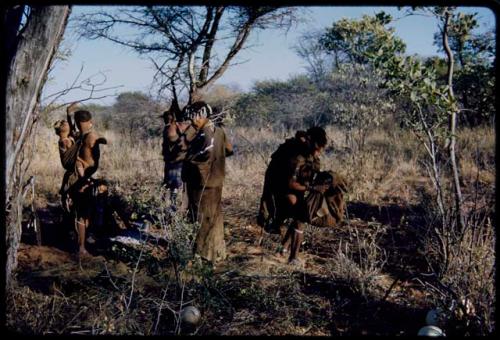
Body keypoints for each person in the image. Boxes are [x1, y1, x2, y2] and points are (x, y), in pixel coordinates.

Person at [257, 127, 328, 265]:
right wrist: (313, 188)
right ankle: (293, 257)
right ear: (310, 141)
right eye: (317, 147)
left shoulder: (310, 152)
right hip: (281, 186)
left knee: (300, 215)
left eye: (321, 148)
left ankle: (283, 249)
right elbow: (290, 183)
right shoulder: (296, 157)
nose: (319, 151)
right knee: (300, 217)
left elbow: (310, 173)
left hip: (295, 185)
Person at [181, 101, 233, 264]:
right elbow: (229, 150)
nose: (192, 121)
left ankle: (203, 256)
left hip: (202, 184)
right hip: (216, 181)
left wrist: (188, 161)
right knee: (215, 216)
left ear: (201, 116)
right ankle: (217, 252)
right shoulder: (219, 131)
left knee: (201, 219)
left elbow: (201, 157)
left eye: (193, 118)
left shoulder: (205, 135)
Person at [60, 109, 107, 257]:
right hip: (81, 179)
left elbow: (74, 128)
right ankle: (81, 248)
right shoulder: (91, 137)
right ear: (90, 121)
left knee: (83, 211)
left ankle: (81, 240)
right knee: (81, 213)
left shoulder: (77, 136)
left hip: (79, 177)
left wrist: (69, 115)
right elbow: (82, 163)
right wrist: (85, 180)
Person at [160, 101, 192, 212]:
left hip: (175, 161)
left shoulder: (172, 128)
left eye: (167, 117)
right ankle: (172, 207)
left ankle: (173, 207)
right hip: (176, 160)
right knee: (174, 184)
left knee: (173, 185)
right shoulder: (181, 126)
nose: (166, 120)